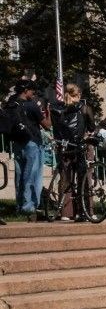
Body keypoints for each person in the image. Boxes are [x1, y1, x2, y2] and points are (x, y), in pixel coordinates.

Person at [50, 83, 96, 221]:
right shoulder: (85, 108)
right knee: (83, 180)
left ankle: (66, 212)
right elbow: (92, 127)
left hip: (63, 146)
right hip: (79, 146)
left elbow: (55, 128)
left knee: (65, 178)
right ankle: (85, 211)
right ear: (78, 94)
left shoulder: (57, 109)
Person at [8, 79, 50, 220]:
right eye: (32, 91)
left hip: (17, 142)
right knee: (32, 175)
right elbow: (47, 126)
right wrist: (49, 114)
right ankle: (29, 206)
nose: (34, 94)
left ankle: (20, 205)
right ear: (26, 91)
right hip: (32, 142)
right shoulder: (32, 106)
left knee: (19, 175)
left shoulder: (12, 104)